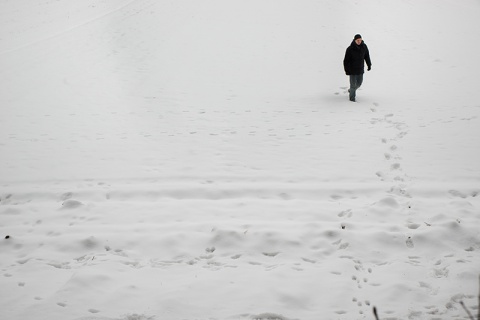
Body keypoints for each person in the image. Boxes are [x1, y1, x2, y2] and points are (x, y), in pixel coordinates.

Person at [343, 34, 372, 102]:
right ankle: (352, 99)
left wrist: (369, 65)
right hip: (352, 70)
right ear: (354, 40)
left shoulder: (364, 47)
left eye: (360, 40)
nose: (359, 41)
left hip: (360, 69)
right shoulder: (350, 49)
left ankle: (351, 90)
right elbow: (346, 61)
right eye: (358, 40)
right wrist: (347, 70)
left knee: (359, 84)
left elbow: (367, 56)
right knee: (353, 85)